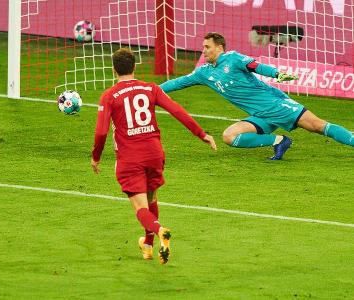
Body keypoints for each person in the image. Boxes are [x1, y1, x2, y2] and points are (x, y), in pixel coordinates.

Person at [91, 48, 217, 264]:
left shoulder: (109, 95)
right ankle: (148, 245)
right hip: (154, 153)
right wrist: (201, 134)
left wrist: (96, 157)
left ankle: (160, 230)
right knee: (152, 199)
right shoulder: (150, 88)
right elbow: (177, 110)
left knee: (141, 207)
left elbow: (102, 131)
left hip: (130, 158)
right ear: (134, 67)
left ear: (114, 70)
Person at [160, 32, 353, 160]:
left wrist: (276, 74)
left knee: (319, 126)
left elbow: (256, 66)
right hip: (260, 115)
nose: (204, 50)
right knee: (229, 136)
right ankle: (279, 141)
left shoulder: (233, 58)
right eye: (203, 47)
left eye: (207, 46)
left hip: (275, 105)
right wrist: (151, 90)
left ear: (219, 47)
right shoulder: (203, 73)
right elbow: (177, 83)